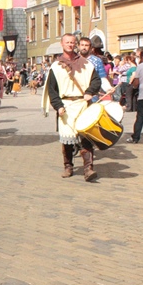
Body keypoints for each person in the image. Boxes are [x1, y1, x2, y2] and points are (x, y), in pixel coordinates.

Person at [42, 33, 101, 181]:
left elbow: (96, 81)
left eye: (72, 42)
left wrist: (89, 92)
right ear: (62, 44)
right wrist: (58, 106)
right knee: (67, 139)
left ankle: (88, 169)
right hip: (66, 106)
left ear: (75, 44)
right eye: (67, 42)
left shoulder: (87, 64)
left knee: (85, 138)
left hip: (83, 104)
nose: (70, 44)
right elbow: (52, 89)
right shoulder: (55, 67)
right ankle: (68, 166)